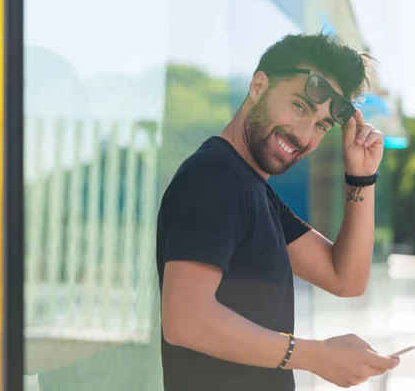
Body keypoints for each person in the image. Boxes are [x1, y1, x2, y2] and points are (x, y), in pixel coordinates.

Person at [156, 32, 400, 391]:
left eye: (321, 125)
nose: (305, 135)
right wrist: (315, 356)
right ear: (258, 86)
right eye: (300, 106)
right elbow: (184, 319)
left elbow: (345, 278)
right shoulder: (215, 178)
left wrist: (360, 178)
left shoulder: (253, 190)